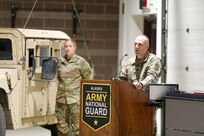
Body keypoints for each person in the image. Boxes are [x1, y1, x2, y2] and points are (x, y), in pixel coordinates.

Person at [118, 35, 162, 135]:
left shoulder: (154, 60)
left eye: (140, 44)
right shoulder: (129, 62)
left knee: (147, 127)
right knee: (131, 127)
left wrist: (141, 84)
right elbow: (122, 79)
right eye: (135, 44)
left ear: (147, 47)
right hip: (130, 102)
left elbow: (152, 76)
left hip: (146, 102)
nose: (136, 46)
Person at [55, 39, 93, 136]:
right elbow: (57, 78)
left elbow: (88, 78)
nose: (68, 48)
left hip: (75, 100)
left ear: (75, 48)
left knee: (77, 128)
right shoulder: (59, 62)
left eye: (70, 46)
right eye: (66, 46)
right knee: (62, 127)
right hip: (61, 99)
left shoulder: (81, 62)